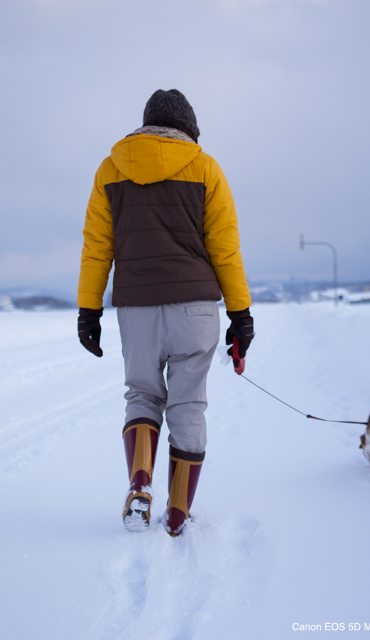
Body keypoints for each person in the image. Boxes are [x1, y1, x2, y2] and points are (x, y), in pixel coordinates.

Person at [76, 89, 254, 536]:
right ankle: (177, 514)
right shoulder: (206, 168)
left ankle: (140, 483)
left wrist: (88, 310)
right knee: (188, 407)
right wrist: (241, 314)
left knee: (142, 396)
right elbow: (225, 250)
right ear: (188, 128)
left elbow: (97, 249)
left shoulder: (110, 169)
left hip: (136, 310)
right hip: (195, 310)